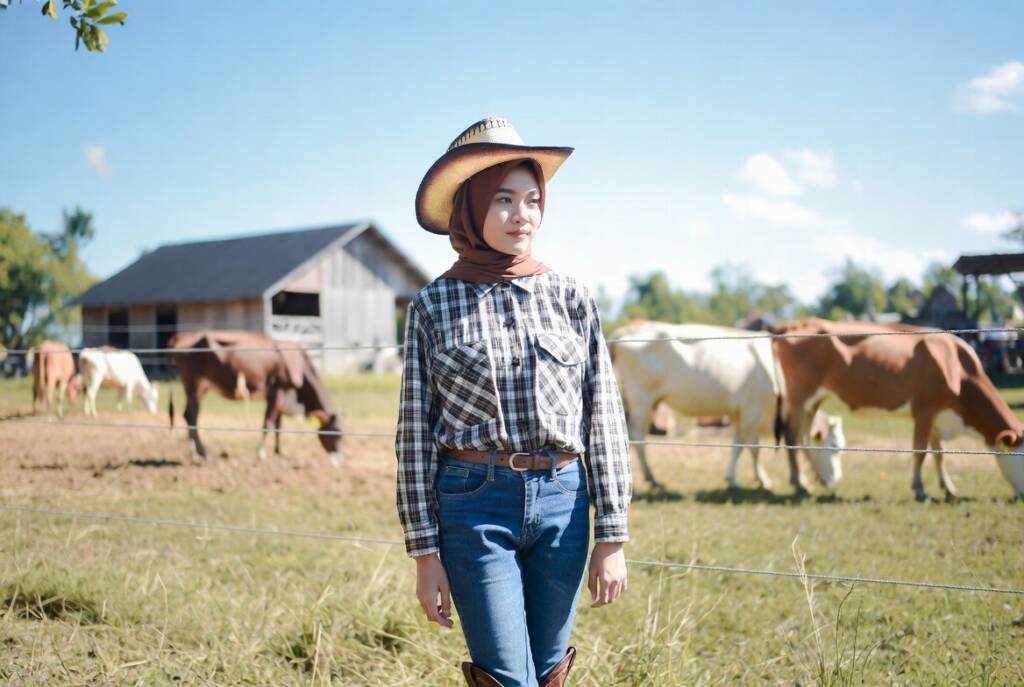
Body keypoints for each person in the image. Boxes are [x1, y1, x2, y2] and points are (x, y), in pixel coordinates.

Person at [396, 117, 633, 687]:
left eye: (532, 199)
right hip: (474, 504)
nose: (521, 214)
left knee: (549, 672)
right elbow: (414, 435)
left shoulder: (571, 297)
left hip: (563, 503)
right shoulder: (433, 305)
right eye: (503, 199)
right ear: (471, 206)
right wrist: (425, 553)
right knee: (505, 676)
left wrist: (612, 535)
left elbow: (603, 416)